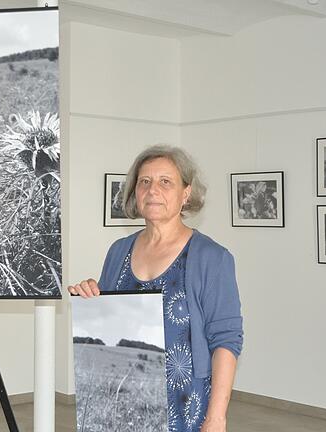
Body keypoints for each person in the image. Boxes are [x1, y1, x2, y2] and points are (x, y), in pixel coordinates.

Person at [68, 145, 243, 432]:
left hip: (185, 404)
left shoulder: (212, 258)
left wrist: (216, 418)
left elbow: (227, 340)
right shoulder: (118, 251)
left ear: (186, 193)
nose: (153, 190)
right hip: (123, 398)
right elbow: (110, 321)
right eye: (144, 181)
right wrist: (91, 296)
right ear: (135, 192)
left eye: (165, 182)